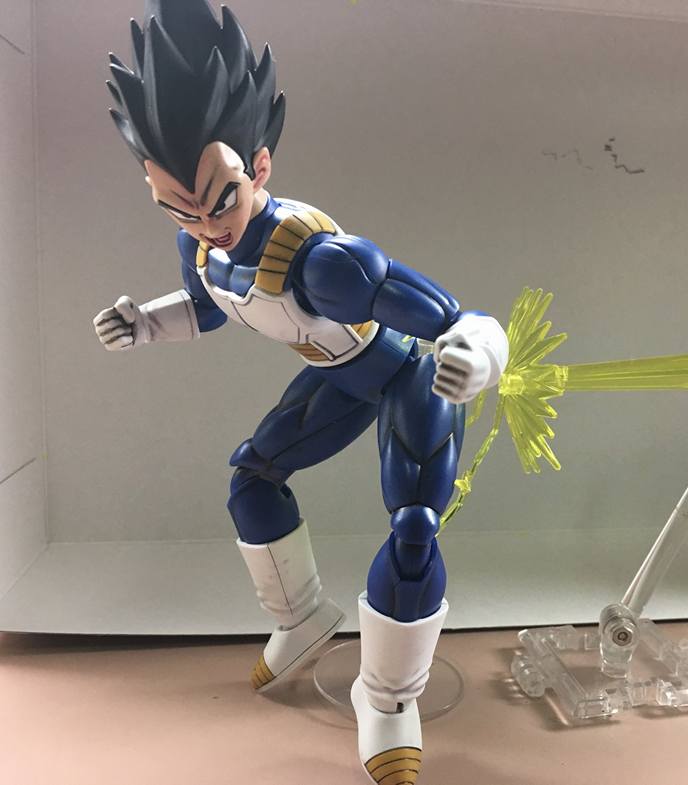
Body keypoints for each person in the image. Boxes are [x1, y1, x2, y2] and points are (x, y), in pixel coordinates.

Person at [93, 2, 508, 781]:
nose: (204, 222)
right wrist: (144, 323)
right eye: (178, 206)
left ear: (259, 166)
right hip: (334, 377)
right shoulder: (201, 249)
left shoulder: (324, 264)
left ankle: (387, 698)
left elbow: (456, 317)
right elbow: (210, 311)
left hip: (406, 378)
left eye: (218, 198)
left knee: (414, 528)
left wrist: (476, 355)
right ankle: (303, 614)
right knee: (251, 476)